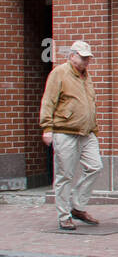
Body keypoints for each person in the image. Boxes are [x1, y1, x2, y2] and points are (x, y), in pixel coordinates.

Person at [39, 40, 101, 232]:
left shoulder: (86, 76)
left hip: (87, 131)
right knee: (64, 174)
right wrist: (47, 128)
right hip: (65, 131)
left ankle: (77, 207)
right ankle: (64, 215)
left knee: (95, 166)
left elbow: (90, 102)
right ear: (72, 56)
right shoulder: (59, 73)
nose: (86, 61)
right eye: (83, 58)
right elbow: (48, 100)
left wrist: (94, 126)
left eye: (88, 58)